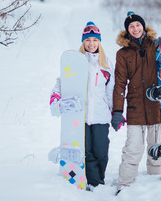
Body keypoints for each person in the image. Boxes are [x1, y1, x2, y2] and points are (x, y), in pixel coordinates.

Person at [111, 11, 161, 194]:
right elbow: (119, 83)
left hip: (157, 107)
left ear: (143, 26)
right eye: (131, 26)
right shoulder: (123, 53)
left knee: (156, 148)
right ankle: (124, 186)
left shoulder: (156, 46)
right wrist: (118, 110)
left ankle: (154, 184)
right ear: (127, 30)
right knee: (133, 149)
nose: (135, 29)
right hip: (135, 109)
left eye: (138, 25)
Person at [49, 21, 115, 191]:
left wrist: (116, 111)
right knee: (87, 152)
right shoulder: (76, 62)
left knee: (102, 152)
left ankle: (99, 178)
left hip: (100, 116)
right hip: (81, 116)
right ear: (83, 42)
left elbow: (111, 90)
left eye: (94, 40)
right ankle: (95, 183)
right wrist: (55, 97)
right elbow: (61, 82)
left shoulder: (106, 64)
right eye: (87, 40)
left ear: (99, 41)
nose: (91, 44)